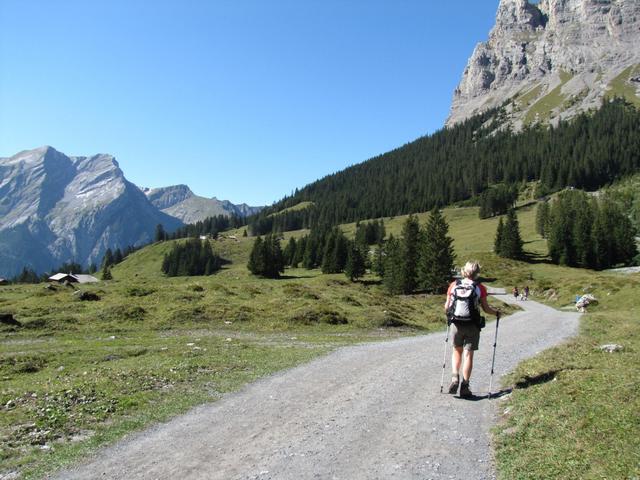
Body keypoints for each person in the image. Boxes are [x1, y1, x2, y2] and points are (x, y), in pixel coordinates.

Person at [444, 261, 500, 398]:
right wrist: (497, 313)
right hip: (472, 324)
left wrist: (450, 315)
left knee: (456, 351)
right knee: (468, 354)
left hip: (456, 323)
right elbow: (486, 309)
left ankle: (454, 378)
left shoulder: (453, 285)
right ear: (477, 272)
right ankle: (465, 386)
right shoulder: (480, 287)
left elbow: (446, 307)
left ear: (464, 271)